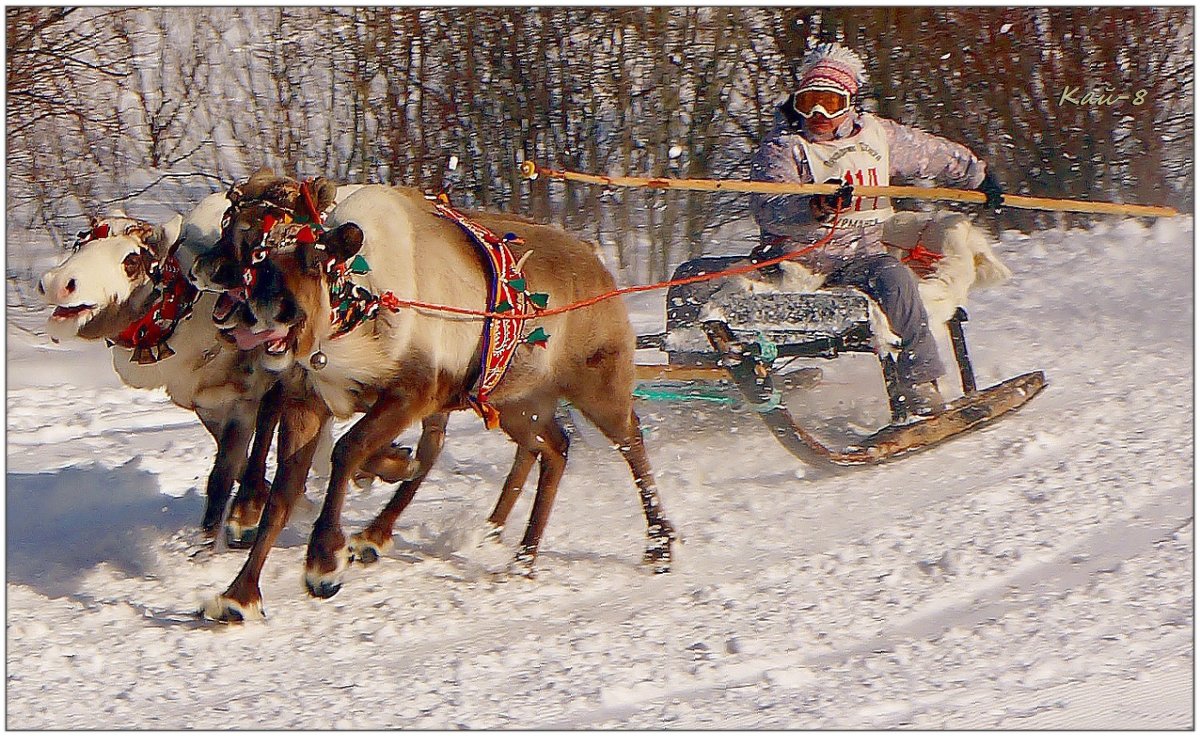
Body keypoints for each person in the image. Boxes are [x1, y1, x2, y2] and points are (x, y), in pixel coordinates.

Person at [748, 42, 1004, 417]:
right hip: (799, 260)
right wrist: (814, 206)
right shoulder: (784, 149)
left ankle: (917, 381)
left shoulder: (877, 136)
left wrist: (977, 176)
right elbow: (769, 208)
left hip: (860, 255)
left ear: (850, 103)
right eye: (808, 102)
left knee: (895, 279)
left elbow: (930, 154)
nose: (818, 114)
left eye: (830, 103)